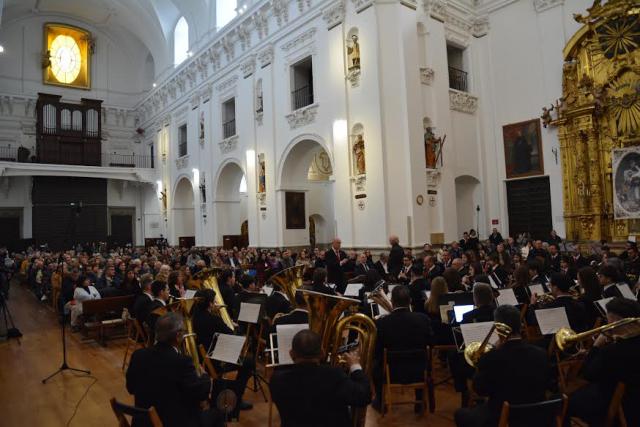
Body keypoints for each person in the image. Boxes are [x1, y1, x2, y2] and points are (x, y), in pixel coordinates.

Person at [454, 305, 551, 427]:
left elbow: (480, 390)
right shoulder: (541, 353)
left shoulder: (491, 357)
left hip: (503, 416)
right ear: (520, 325)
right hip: (537, 415)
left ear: (498, 327)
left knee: (460, 414)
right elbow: (549, 383)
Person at [126, 313, 222, 427]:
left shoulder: (138, 355)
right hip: (172, 422)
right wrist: (205, 377)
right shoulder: (182, 362)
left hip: (142, 422)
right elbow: (200, 394)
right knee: (218, 414)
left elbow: (130, 388)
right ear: (178, 336)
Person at [269, 329, 371, 427]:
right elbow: (364, 395)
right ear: (322, 353)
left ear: (291, 354)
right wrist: (355, 366)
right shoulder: (334, 375)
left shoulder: (277, 380)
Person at [568, 298, 640, 426]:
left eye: (608, 319)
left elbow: (587, 375)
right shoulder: (618, 346)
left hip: (619, 406)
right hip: (634, 401)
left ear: (616, 321)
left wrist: (596, 346)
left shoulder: (611, 351)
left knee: (565, 402)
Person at [372, 285, 433, 412]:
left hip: (391, 373)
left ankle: (380, 401)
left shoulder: (382, 323)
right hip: (419, 371)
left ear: (392, 302)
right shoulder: (423, 319)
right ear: (410, 301)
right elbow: (430, 344)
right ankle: (419, 400)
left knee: (375, 365)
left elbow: (377, 352)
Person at [191, 289, 253, 412]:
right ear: (209, 304)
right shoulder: (214, 319)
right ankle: (237, 398)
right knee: (249, 363)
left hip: (202, 361)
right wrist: (227, 322)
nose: (215, 304)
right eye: (214, 301)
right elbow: (231, 335)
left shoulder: (193, 318)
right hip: (217, 360)